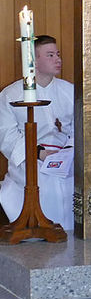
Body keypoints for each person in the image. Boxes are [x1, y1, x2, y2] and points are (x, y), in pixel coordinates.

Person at [0, 35, 74, 230]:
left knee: (74, 181)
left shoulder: (69, 91)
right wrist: (39, 153)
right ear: (33, 59)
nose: (58, 59)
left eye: (58, 54)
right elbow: (7, 136)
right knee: (43, 184)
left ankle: (71, 235)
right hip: (29, 159)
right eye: (50, 55)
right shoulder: (10, 94)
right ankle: (41, 234)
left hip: (65, 159)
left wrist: (68, 151)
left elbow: (79, 130)